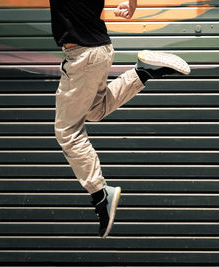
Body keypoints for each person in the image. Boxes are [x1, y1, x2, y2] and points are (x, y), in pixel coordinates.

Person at [49, 0, 190, 238]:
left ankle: (100, 193)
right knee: (95, 110)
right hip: (100, 50)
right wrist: (132, 4)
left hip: (82, 55)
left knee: (67, 131)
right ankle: (144, 71)